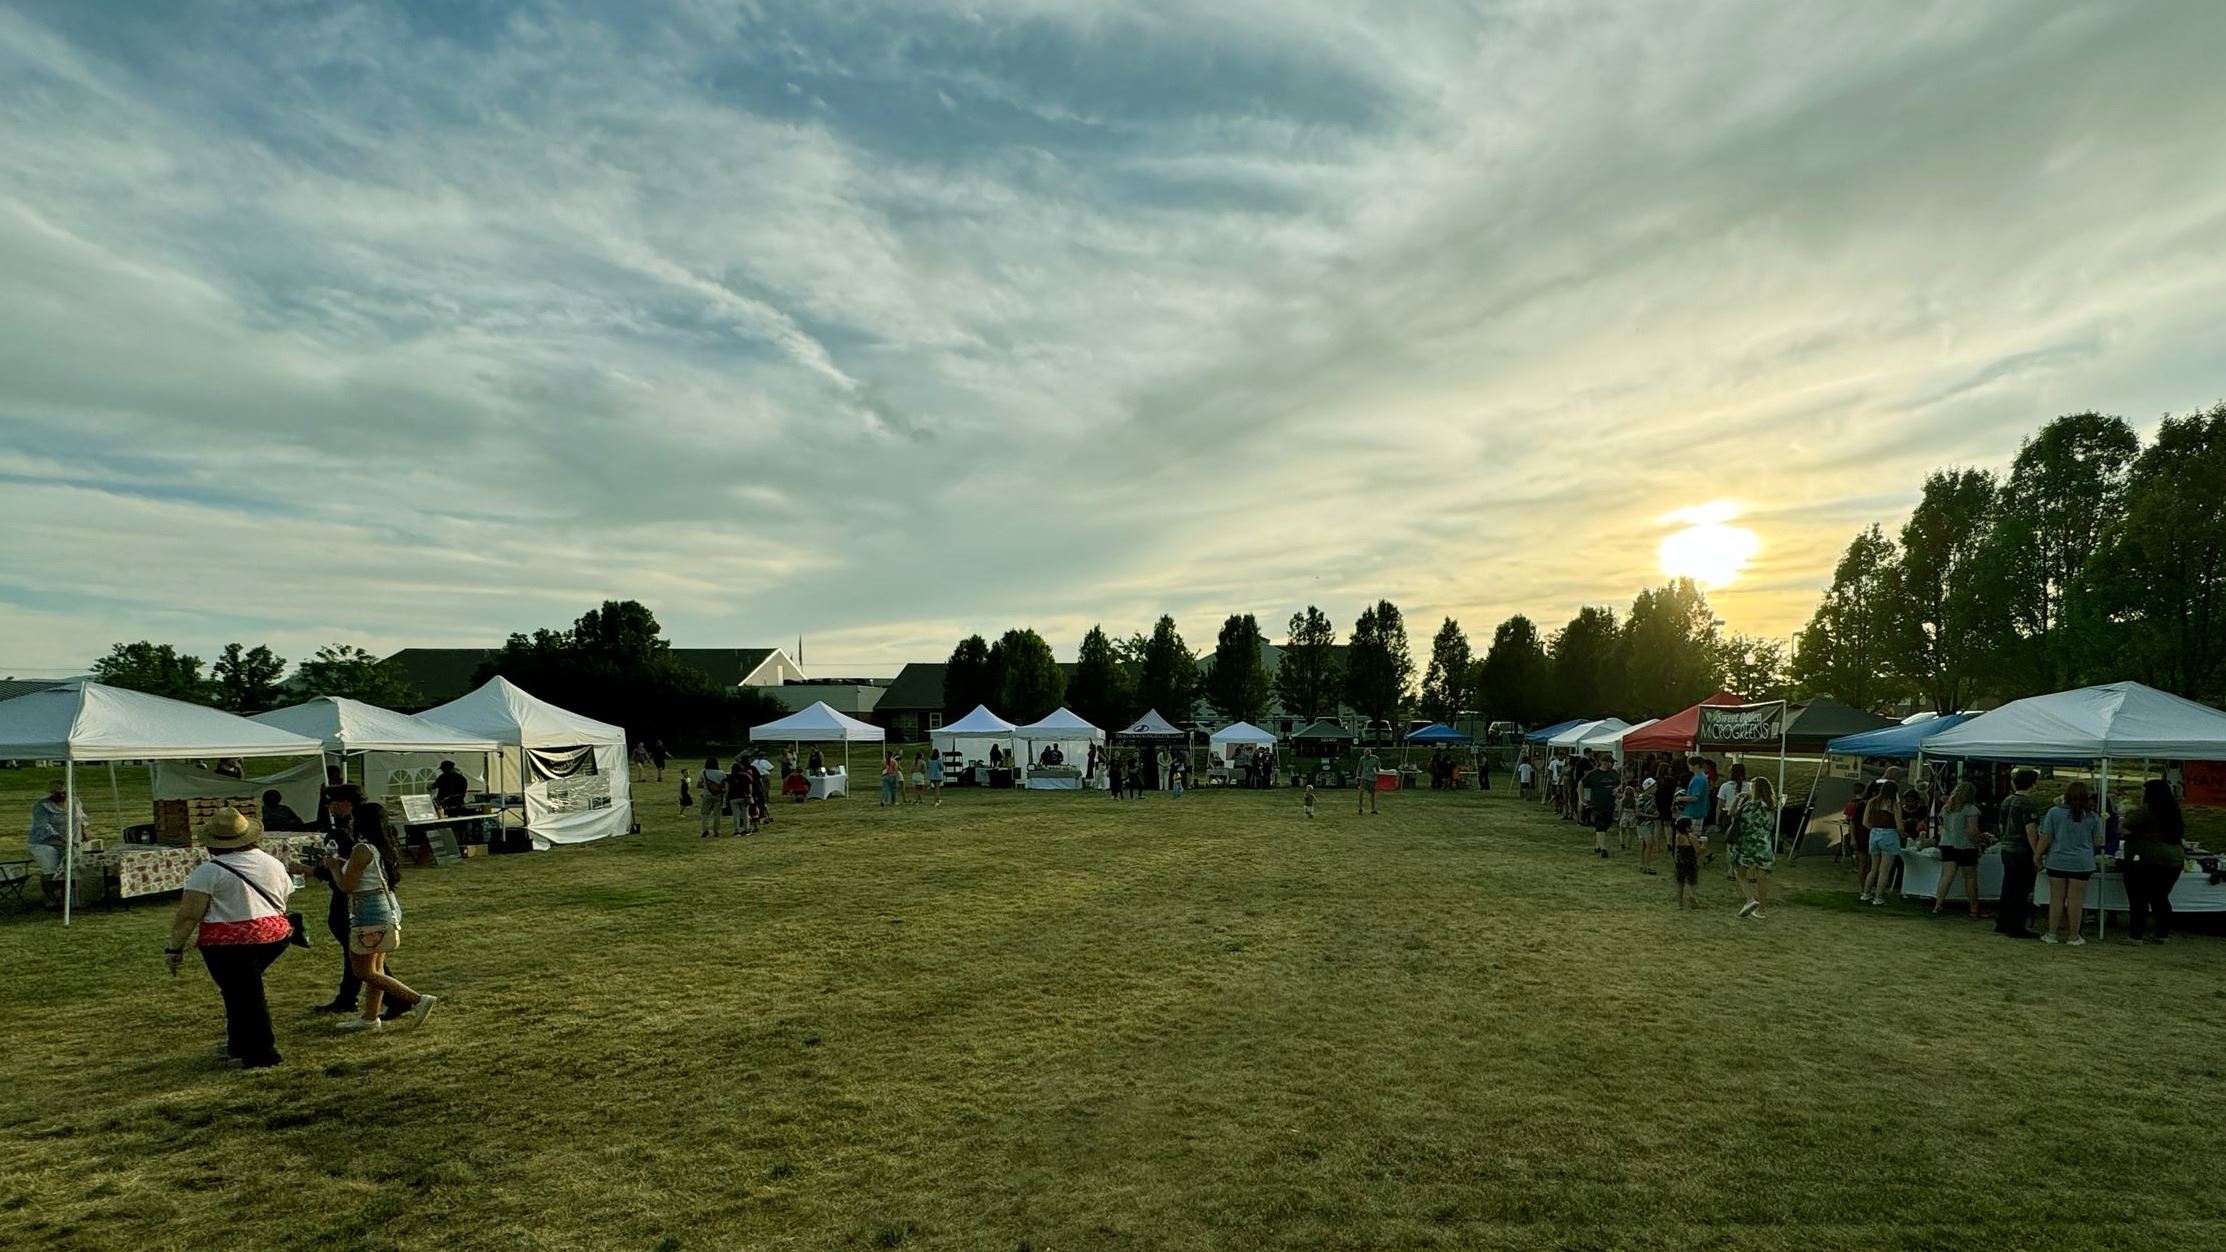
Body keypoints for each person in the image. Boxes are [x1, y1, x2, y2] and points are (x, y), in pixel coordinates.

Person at [166, 808, 294, 1068]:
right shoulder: (271, 863)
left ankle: (261, 1053)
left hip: (230, 943)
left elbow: (189, 915)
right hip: (273, 936)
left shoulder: (208, 872)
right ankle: (239, 1044)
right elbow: (285, 895)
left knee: (245, 996)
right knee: (239, 992)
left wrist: (174, 948)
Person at [324, 802, 436, 1032]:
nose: (351, 822)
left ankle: (416, 999)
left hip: (368, 910)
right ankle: (370, 1017)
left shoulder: (362, 849)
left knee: (363, 971)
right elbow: (370, 874)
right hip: (385, 906)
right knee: (377, 967)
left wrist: (333, 868)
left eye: (354, 819)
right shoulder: (382, 846)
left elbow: (346, 885)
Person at [2036, 781, 2103, 946]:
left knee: (2056, 898)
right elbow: (2098, 841)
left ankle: (2052, 934)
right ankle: (2073, 936)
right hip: (2082, 862)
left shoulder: (2054, 813)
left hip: (2057, 860)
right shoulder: (2093, 817)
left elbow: (2046, 837)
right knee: (2076, 900)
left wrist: (2036, 855)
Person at [2121, 779, 2186, 945]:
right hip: (2174, 859)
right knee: (2160, 897)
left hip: (2147, 858)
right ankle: (2162, 934)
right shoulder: (2174, 811)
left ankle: (2136, 935)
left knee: (2138, 898)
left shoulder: (2147, 810)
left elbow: (2125, 826)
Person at [1993, 769, 2043, 940]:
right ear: (2033, 784)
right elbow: (2031, 831)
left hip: (2007, 847)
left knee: (2008, 886)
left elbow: (2000, 825)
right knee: (2021, 890)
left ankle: (2002, 922)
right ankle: (2017, 926)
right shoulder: (2027, 804)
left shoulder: (2007, 801)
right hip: (2021, 850)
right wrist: (2037, 854)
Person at [27, 777, 87, 910]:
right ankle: (52, 898)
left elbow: (80, 818)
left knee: (72, 866)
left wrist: (83, 834)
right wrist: (61, 839)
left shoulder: (74, 801)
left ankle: (70, 897)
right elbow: (43, 826)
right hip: (45, 842)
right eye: (58, 794)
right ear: (52, 794)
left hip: (71, 840)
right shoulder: (42, 806)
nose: (62, 796)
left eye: (64, 793)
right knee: (51, 869)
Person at [1931, 782, 1984, 918]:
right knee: (1970, 877)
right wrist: (1978, 843)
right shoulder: (1971, 809)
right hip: (1965, 845)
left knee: (1946, 876)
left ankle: (1938, 905)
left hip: (1947, 843)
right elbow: (1972, 830)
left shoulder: (1947, 808)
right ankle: (1974, 908)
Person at [1731, 776, 1778, 919]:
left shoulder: (1749, 806)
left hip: (1747, 842)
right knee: (1761, 877)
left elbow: (1732, 814)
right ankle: (1762, 908)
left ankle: (1750, 898)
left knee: (1740, 872)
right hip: (1764, 843)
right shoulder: (1770, 806)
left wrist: (1738, 799)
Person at [1860, 779, 1903, 905]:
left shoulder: (1872, 802)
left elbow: (1865, 822)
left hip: (1874, 834)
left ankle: (1866, 894)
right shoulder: (1893, 804)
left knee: (1873, 868)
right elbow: (1899, 826)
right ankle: (1879, 897)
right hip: (1889, 834)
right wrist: (1901, 834)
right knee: (1884, 870)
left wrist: (1875, 829)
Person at [1582, 755, 1618, 858]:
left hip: (1610, 804)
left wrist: (1617, 789)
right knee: (1600, 824)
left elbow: (1620, 784)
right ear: (1603, 762)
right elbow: (1581, 783)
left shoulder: (1614, 773)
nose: (1612, 764)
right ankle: (1603, 849)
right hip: (1597, 804)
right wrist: (1582, 798)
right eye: (1611, 762)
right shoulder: (1593, 774)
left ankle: (1598, 845)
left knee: (1606, 825)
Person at [1671, 817, 1703, 910]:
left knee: (1680, 883)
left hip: (1680, 862)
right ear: (1687, 828)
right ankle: (1692, 897)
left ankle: (1679, 903)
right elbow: (1698, 850)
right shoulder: (1691, 837)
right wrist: (1703, 846)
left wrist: (1675, 860)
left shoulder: (1678, 837)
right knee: (1692, 882)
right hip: (1690, 862)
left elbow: (1676, 850)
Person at [698, 757, 728, 837]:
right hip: (718, 795)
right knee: (717, 814)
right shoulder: (721, 773)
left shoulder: (703, 772)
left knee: (704, 813)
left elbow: (699, 784)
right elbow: (724, 784)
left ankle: (705, 829)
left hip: (706, 794)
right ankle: (716, 831)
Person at [1356, 746, 1382, 815]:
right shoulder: (1362, 759)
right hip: (1364, 778)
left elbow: (1378, 769)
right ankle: (1360, 808)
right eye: (1365, 754)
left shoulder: (1375, 759)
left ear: (1370, 754)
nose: (1366, 756)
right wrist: (1358, 776)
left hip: (1372, 778)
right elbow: (1359, 767)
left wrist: (1376, 772)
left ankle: (1373, 809)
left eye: (1367, 755)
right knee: (1361, 792)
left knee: (1372, 794)